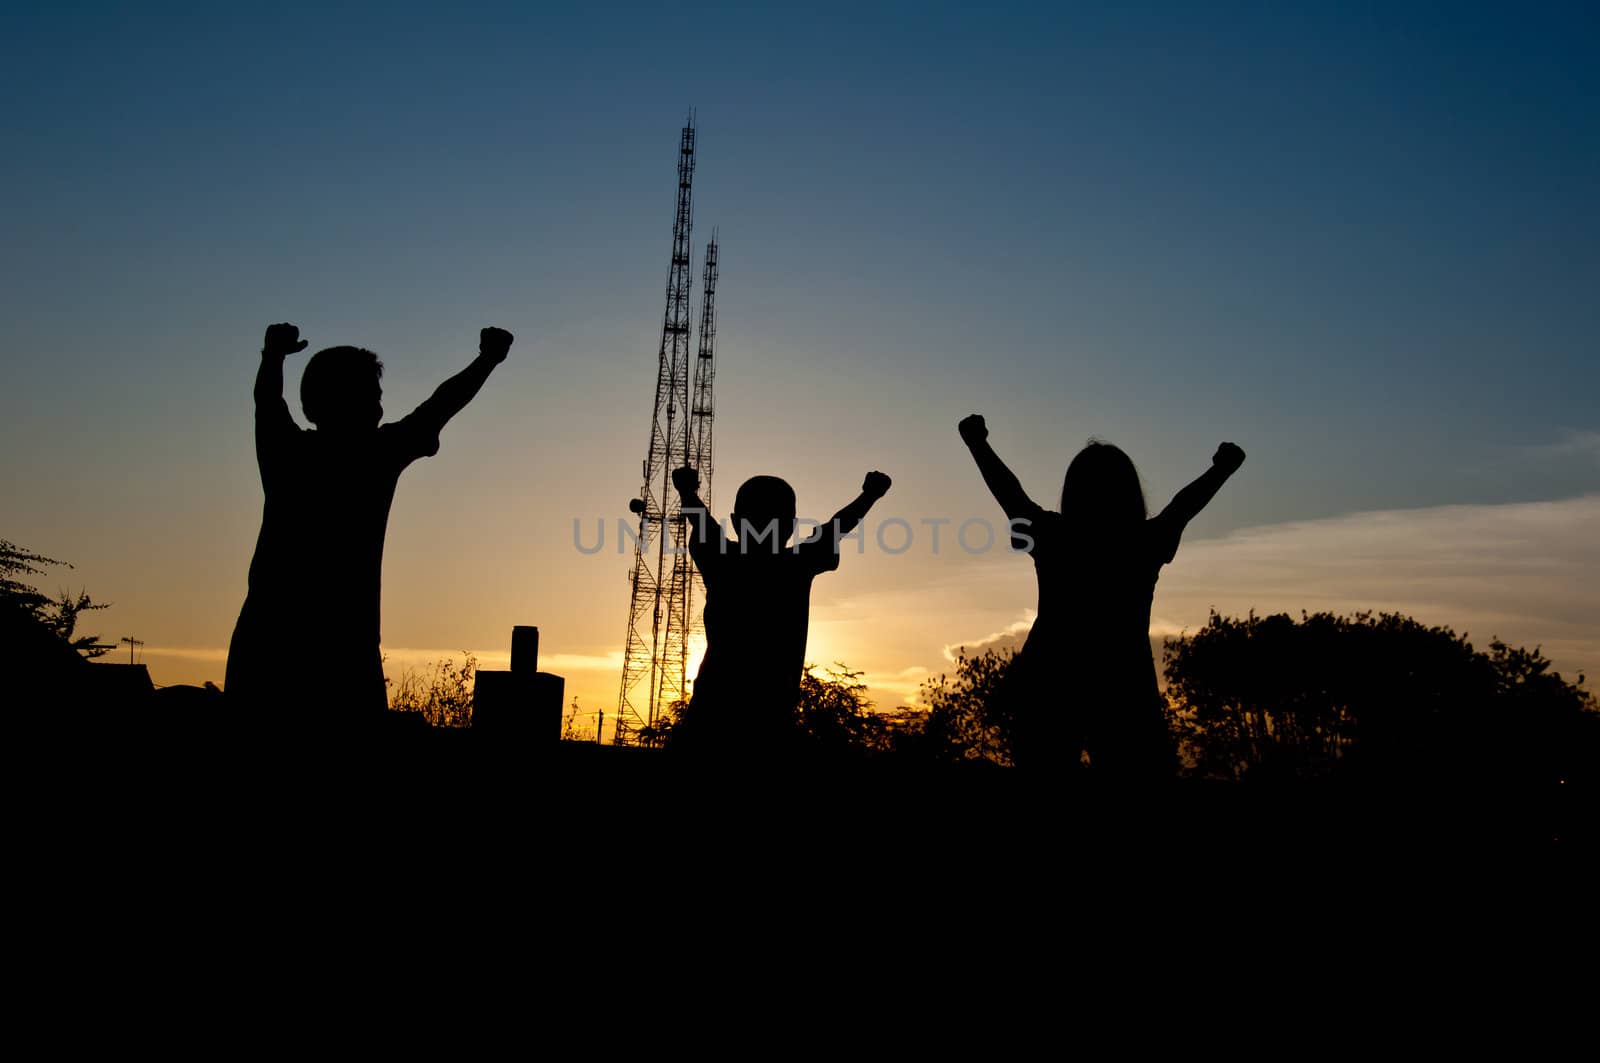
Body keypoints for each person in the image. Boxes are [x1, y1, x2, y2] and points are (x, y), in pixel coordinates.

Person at [225, 322, 513, 726]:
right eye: (374, 397)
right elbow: (441, 404)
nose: (381, 407)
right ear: (354, 401)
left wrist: (273, 355)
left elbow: (267, 400)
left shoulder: (286, 451)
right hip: (343, 650)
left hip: (266, 641)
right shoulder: (377, 455)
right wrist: (487, 360)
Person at [958, 413, 1245, 778]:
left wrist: (978, 444)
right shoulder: (1145, 542)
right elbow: (1184, 505)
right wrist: (1221, 470)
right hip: (1125, 686)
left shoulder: (1053, 535)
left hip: (1051, 683)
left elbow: (1010, 495)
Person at [670, 465, 891, 754]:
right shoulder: (795, 566)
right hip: (770, 713)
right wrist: (869, 496)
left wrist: (687, 491)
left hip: (713, 710)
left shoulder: (723, 561)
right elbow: (838, 526)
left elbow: (703, 522)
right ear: (791, 525)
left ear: (736, 522)